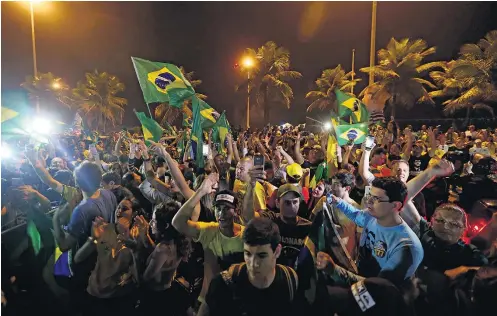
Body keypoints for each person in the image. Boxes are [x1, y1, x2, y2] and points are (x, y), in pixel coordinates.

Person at [322, 177, 424, 288]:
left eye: (376, 198)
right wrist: (339, 202)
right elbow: (357, 215)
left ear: (395, 205)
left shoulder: (407, 247)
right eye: (369, 195)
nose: (368, 201)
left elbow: (380, 287)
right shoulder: (372, 216)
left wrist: (334, 271)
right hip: (359, 278)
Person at [201, 217, 302, 316]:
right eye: (248, 254)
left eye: (261, 255)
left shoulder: (289, 280)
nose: (253, 263)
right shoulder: (222, 285)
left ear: (277, 252)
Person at [245, 182, 311, 268]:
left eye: (295, 202)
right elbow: (249, 218)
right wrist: (250, 190)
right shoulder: (271, 220)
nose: (292, 206)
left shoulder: (308, 227)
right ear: (277, 203)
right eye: (287, 203)